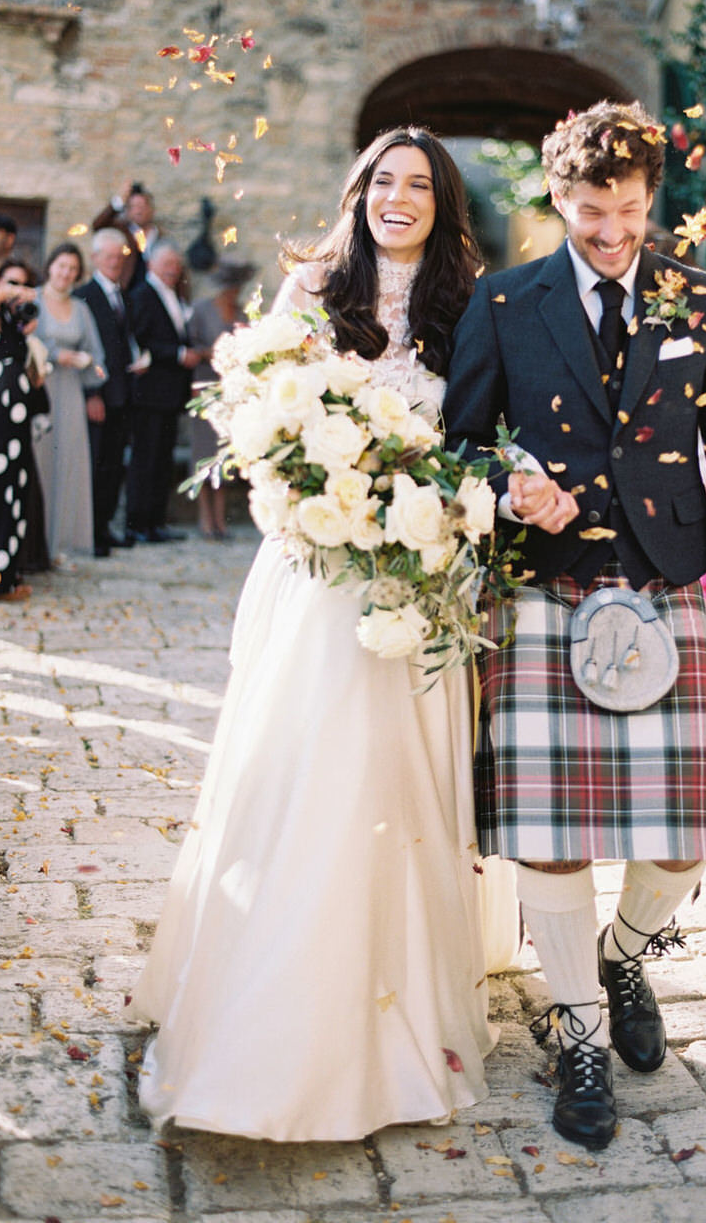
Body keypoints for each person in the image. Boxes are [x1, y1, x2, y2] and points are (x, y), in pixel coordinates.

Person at [129, 126, 498, 1141]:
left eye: (419, 185)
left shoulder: (467, 305)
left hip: (417, 575)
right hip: (321, 576)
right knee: (311, 766)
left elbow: (472, 438)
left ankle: (400, 994)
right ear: (357, 192)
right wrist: (311, 495)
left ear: (442, 204)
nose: (398, 197)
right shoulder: (309, 292)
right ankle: (274, 989)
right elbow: (258, 426)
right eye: (383, 180)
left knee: (399, 776)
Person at [443, 100, 706, 1150]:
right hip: (545, 588)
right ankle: (578, 1028)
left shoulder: (699, 295)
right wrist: (510, 483)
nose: (614, 230)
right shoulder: (505, 300)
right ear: (558, 197)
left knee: (687, 836)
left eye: (629, 209)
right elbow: (461, 443)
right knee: (549, 839)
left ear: (649, 197)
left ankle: (621, 957)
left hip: (667, 582)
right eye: (592, 211)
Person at [32, 242, 106, 566]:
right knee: (41, 461)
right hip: (39, 389)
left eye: (73, 269)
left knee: (69, 465)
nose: (66, 273)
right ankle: (35, 546)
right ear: (50, 266)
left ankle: (60, 544)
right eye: (62, 265)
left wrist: (87, 365)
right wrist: (54, 355)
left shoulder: (81, 309)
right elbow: (23, 341)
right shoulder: (33, 299)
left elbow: (97, 356)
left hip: (71, 393)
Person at [74, 228, 141, 557]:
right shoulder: (84, 295)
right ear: (95, 258)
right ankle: (90, 533)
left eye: (119, 257)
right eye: (109, 256)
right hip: (100, 396)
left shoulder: (123, 295)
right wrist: (93, 394)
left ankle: (104, 527)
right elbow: (87, 348)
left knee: (114, 465)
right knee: (97, 465)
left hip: (123, 394)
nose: (115, 262)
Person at [125, 242, 198, 543]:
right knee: (146, 458)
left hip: (170, 394)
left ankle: (156, 522)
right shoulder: (142, 295)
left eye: (176, 264)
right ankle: (138, 524)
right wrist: (179, 355)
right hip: (150, 393)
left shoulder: (175, 295)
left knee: (162, 459)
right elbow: (141, 341)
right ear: (151, 264)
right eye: (167, 263)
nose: (173, 269)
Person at [0, 257, 40, 601]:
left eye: (24, 284)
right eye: (11, 282)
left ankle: (1, 575)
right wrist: (7, 293)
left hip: (14, 421)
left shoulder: (13, 321)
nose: (18, 291)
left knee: (10, 497)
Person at [186, 258, 255, 539]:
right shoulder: (202, 310)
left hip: (231, 389)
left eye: (236, 287)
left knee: (224, 453)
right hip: (205, 385)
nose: (232, 292)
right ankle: (205, 519)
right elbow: (191, 347)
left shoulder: (241, 313)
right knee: (203, 452)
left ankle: (220, 519)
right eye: (229, 286)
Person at [92, 180, 161, 290]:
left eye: (142, 206)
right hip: (128, 288)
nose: (139, 211)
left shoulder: (158, 234)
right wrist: (119, 201)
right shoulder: (123, 230)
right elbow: (98, 225)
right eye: (134, 207)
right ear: (127, 210)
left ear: (150, 209)